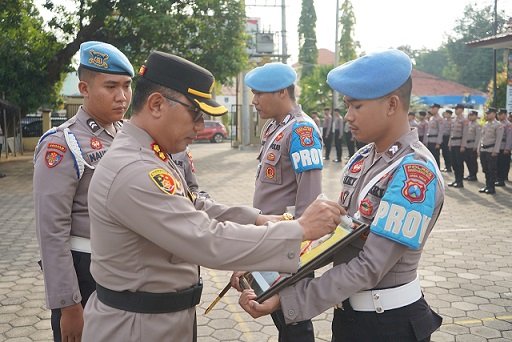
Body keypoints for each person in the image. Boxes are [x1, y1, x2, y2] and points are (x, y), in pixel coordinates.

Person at [81, 51, 342, 342]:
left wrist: (257, 219)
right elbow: (207, 239)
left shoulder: (152, 155)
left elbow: (194, 205)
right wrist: (299, 230)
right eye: (196, 114)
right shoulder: (135, 170)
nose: (201, 127)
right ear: (156, 104)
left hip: (154, 319)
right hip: (137, 328)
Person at [239, 49, 444, 342]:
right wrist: (269, 270)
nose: (347, 116)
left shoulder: (414, 174)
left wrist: (290, 299)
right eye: (347, 106)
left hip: (390, 325)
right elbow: (336, 238)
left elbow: (370, 266)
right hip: (350, 317)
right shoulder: (363, 158)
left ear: (392, 105)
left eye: (357, 106)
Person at [33, 41, 134, 341]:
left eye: (127, 86)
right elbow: (51, 231)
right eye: (111, 86)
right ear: (84, 89)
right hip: (85, 274)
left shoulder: (129, 136)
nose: (122, 96)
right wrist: (68, 305)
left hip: (126, 271)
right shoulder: (62, 143)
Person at [243, 62, 323, 342]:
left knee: (295, 321)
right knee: (284, 320)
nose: (254, 101)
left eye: (258, 94)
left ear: (280, 92)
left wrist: (298, 250)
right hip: (272, 237)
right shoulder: (275, 127)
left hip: (290, 245)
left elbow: (310, 201)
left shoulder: (302, 131)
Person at [478, 107, 504, 194]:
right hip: (483, 149)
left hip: (491, 150)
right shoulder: (486, 124)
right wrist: (479, 149)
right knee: (485, 169)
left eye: (489, 113)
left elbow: (498, 139)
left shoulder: (498, 125)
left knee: (491, 169)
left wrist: (495, 151)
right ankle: (487, 185)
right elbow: (481, 137)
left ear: (494, 114)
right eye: (487, 113)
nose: (487, 115)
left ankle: (491, 187)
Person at [447, 104, 468, 188]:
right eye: (455, 109)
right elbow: (451, 133)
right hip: (453, 143)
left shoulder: (464, 120)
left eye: (457, 109)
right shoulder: (454, 119)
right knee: (454, 163)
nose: (455, 110)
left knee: (459, 163)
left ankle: (460, 181)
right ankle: (456, 180)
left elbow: (465, 134)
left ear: (462, 110)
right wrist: (449, 143)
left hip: (459, 144)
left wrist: (463, 145)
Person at [462, 110, 482, 181]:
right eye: (469, 115)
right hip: (467, 145)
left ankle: (474, 175)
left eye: (472, 115)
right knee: (467, 160)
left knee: (473, 161)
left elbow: (478, 137)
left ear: (476, 116)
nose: (470, 117)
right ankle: (470, 173)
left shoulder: (477, 125)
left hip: (472, 145)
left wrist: (476, 146)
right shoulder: (468, 124)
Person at [496, 108, 511, 185]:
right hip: (497, 147)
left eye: (500, 114)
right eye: (498, 114)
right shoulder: (497, 123)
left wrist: (507, 148)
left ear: (505, 115)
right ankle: (498, 178)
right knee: (497, 163)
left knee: (503, 164)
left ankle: (501, 179)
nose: (498, 116)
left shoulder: (508, 124)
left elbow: (509, 137)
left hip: (504, 147)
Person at [425, 103, 443, 167]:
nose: (431, 110)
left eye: (433, 108)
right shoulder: (431, 118)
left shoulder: (439, 119)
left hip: (435, 141)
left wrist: (438, 143)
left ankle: (437, 172)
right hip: (429, 140)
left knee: (435, 157)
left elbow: (441, 131)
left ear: (437, 109)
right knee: (430, 158)